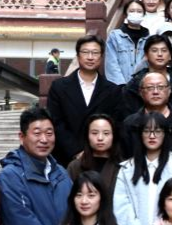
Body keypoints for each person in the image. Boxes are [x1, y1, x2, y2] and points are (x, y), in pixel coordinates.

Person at [114, 111, 172, 225]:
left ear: (165, 134)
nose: (152, 136)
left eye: (157, 131)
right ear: (140, 134)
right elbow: (121, 209)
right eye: (147, 131)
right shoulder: (126, 170)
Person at [47, 35, 121, 165]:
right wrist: (76, 152)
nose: (90, 57)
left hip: (101, 159)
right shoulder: (59, 87)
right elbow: (56, 122)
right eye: (85, 52)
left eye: (95, 53)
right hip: (65, 159)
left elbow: (115, 124)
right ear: (78, 55)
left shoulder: (113, 91)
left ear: (101, 56)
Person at [119, 69, 172, 161]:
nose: (155, 92)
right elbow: (125, 157)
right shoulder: (130, 123)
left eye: (161, 87)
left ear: (169, 91)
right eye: (150, 88)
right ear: (141, 92)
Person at [65, 113, 122, 191]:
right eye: (94, 133)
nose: (100, 138)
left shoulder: (123, 167)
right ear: (87, 136)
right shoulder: (75, 166)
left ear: (113, 136)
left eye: (106, 133)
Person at [105, 0, 151, 85]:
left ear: (144, 14)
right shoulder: (115, 36)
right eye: (132, 11)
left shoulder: (149, 38)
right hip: (119, 87)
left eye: (139, 11)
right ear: (126, 14)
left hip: (143, 87)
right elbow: (111, 64)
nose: (135, 14)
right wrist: (122, 86)